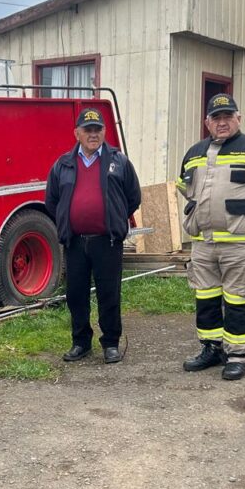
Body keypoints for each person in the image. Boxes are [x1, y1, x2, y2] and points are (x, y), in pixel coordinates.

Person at [177, 93, 245, 380]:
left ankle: (238, 354)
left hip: (239, 244)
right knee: (206, 297)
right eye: (216, 117)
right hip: (203, 244)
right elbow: (184, 187)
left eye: (228, 116)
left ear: (238, 118)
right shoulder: (194, 152)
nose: (222, 122)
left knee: (238, 299)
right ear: (207, 122)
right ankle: (211, 348)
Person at [45, 107, 142, 363]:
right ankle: (81, 343)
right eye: (87, 130)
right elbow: (52, 201)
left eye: (97, 129)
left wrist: (113, 217)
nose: (93, 134)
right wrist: (70, 220)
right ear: (76, 133)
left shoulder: (118, 161)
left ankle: (110, 343)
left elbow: (133, 197)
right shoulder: (63, 164)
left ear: (104, 132)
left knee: (109, 294)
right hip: (75, 242)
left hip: (107, 241)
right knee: (76, 295)